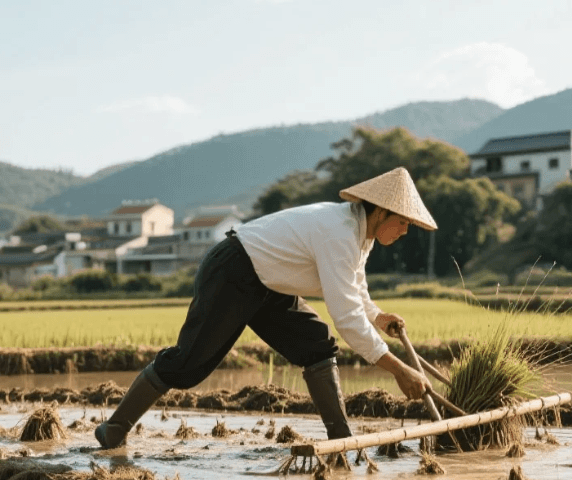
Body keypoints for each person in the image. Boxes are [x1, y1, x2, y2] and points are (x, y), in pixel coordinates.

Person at [95, 167, 436, 449]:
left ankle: (340, 443)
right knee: (188, 365)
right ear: (380, 211)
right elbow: (346, 316)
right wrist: (398, 369)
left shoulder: (362, 234)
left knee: (316, 345)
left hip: (269, 281)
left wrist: (377, 316)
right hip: (234, 271)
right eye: (403, 222)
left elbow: (354, 284)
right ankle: (114, 429)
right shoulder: (340, 232)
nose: (405, 231)